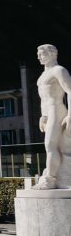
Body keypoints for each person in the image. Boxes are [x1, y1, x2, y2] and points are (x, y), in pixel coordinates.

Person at [36, 44, 71, 189]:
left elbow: (70, 91)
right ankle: (51, 177)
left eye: (42, 53)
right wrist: (43, 115)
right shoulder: (43, 75)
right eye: (38, 54)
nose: (38, 56)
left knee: (50, 145)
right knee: (50, 146)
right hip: (48, 113)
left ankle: (50, 179)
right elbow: (43, 99)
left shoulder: (59, 71)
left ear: (52, 54)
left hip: (57, 109)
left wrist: (70, 115)